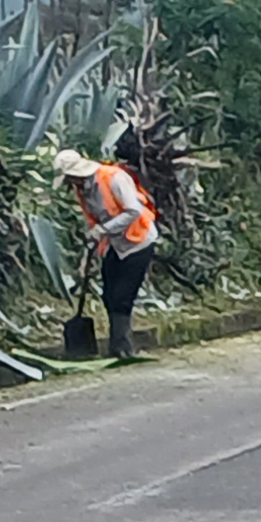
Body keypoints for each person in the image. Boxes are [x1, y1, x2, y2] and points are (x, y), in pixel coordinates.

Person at [52, 142, 159, 360]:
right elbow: (94, 223)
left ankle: (122, 348)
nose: (69, 183)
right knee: (108, 295)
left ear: (76, 173)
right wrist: (88, 256)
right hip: (116, 244)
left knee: (122, 296)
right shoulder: (82, 190)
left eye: (69, 178)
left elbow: (133, 211)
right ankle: (117, 344)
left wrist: (104, 229)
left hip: (139, 241)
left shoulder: (113, 177)